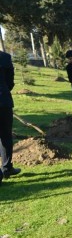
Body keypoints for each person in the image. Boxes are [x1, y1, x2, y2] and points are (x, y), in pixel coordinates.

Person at [0, 50, 20, 184]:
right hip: (3, 100)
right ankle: (6, 167)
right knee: (6, 136)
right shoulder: (5, 57)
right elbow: (10, 81)